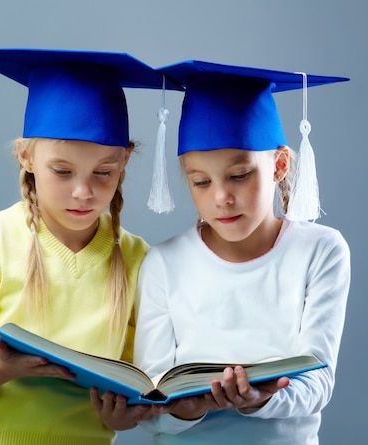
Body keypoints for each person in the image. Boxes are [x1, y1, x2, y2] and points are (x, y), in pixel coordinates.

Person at [0, 48, 171, 445]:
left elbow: (135, 385)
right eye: (62, 171)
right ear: (26, 156)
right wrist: (6, 369)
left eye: (104, 172)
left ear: (125, 161)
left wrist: (124, 415)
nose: (83, 192)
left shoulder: (138, 260)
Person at [133, 60, 351, 444]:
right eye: (201, 182)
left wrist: (256, 400)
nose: (222, 198)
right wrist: (187, 407)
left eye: (239, 175)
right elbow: (152, 405)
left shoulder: (320, 251)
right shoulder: (164, 263)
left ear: (279, 165)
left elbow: (318, 380)